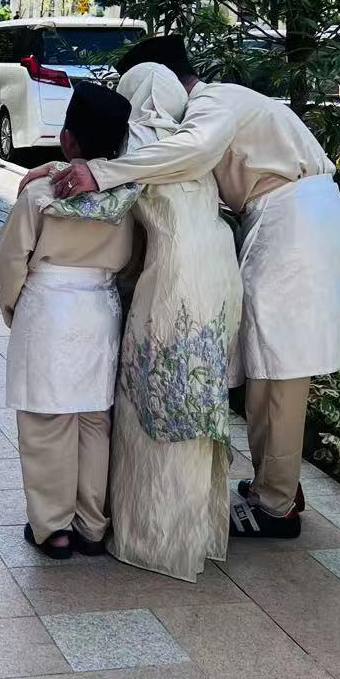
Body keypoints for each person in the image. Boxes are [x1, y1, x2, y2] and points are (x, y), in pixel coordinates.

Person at [28, 33, 340, 539]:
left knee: (280, 370)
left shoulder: (212, 103)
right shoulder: (208, 111)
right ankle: (277, 485)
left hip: (291, 222)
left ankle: (276, 505)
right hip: (289, 217)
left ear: (164, 81)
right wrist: (64, 168)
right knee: (269, 365)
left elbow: (188, 151)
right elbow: (157, 162)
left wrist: (98, 171)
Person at [85, 62, 241, 580]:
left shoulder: (137, 140)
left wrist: (49, 179)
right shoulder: (187, 141)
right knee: (196, 399)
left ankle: (153, 538)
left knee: (151, 398)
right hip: (219, 274)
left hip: (173, 278)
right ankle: (198, 534)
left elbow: (100, 204)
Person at [0, 82, 139, 559]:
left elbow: (9, 260)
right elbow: (132, 262)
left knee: (46, 420)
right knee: (94, 419)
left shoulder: (41, 192)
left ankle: (54, 528)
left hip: (49, 308)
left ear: (67, 139)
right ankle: (92, 525)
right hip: (100, 310)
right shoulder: (127, 196)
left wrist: (14, 307)